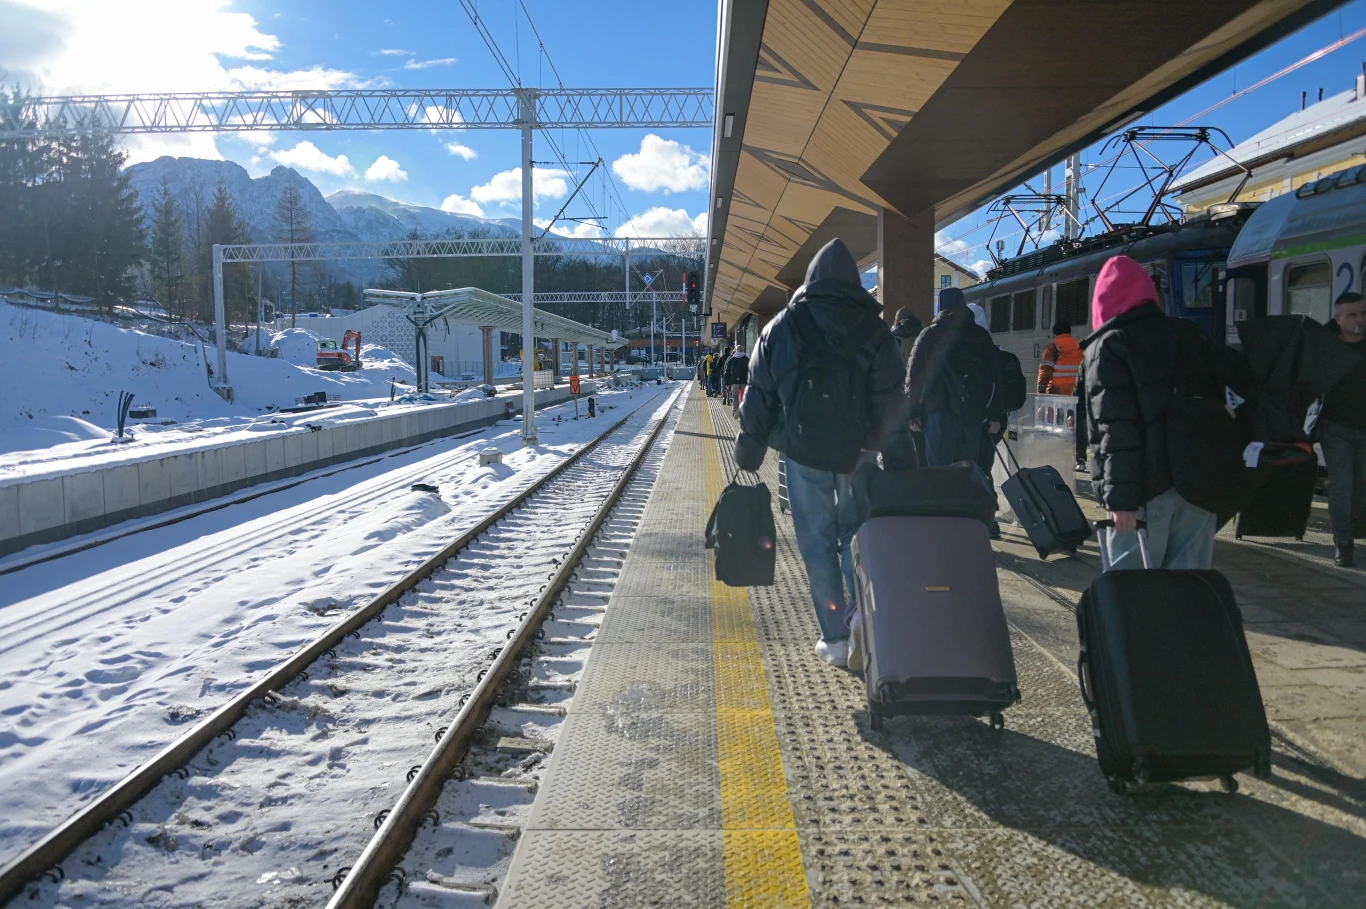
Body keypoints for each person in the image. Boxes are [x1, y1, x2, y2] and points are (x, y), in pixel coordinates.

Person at [735, 237, 915, 667]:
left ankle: (835, 639)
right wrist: (905, 465)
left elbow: (760, 395)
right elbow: (891, 402)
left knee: (816, 544)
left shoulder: (781, 327)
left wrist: (749, 450)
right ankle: (866, 621)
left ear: (811, 281)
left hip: (803, 454)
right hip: (858, 452)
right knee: (858, 534)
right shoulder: (875, 331)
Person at [1081, 254, 1216, 570]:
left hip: (1145, 490)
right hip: (1198, 486)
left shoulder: (1109, 346)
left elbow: (1116, 428)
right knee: (1190, 590)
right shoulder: (1190, 334)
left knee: (1134, 594)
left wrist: (1122, 501)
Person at [904, 288, 1001, 468]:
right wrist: (994, 414)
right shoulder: (981, 336)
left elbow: (914, 377)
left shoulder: (928, 335)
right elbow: (995, 376)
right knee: (966, 471)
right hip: (971, 413)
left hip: (938, 414)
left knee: (938, 473)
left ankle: (942, 496)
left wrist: (913, 413)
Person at [1321, 291, 1366, 567]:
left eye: (1363, 313)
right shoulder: (1324, 346)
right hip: (1335, 426)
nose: (1360, 319)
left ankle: (1352, 530)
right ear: (1338, 318)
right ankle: (1343, 542)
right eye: (1352, 314)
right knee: (1341, 485)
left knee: (1361, 486)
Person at [723, 343, 749, 418]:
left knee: (735, 397)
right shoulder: (747, 359)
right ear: (743, 350)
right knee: (744, 397)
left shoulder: (731, 360)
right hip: (744, 381)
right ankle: (743, 412)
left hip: (734, 382)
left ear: (736, 351)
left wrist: (727, 383)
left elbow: (727, 372)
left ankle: (735, 411)